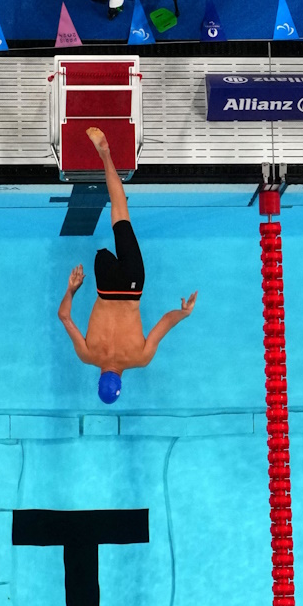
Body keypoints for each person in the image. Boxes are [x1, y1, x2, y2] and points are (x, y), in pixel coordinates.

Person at [57, 128, 197, 402]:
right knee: (110, 231)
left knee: (121, 214)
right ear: (99, 381)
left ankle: (106, 154)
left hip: (133, 286)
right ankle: (103, 154)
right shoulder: (87, 356)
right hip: (106, 285)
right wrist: (72, 289)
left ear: (121, 382)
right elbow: (64, 317)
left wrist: (185, 313)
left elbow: (166, 321)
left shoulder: (140, 359)